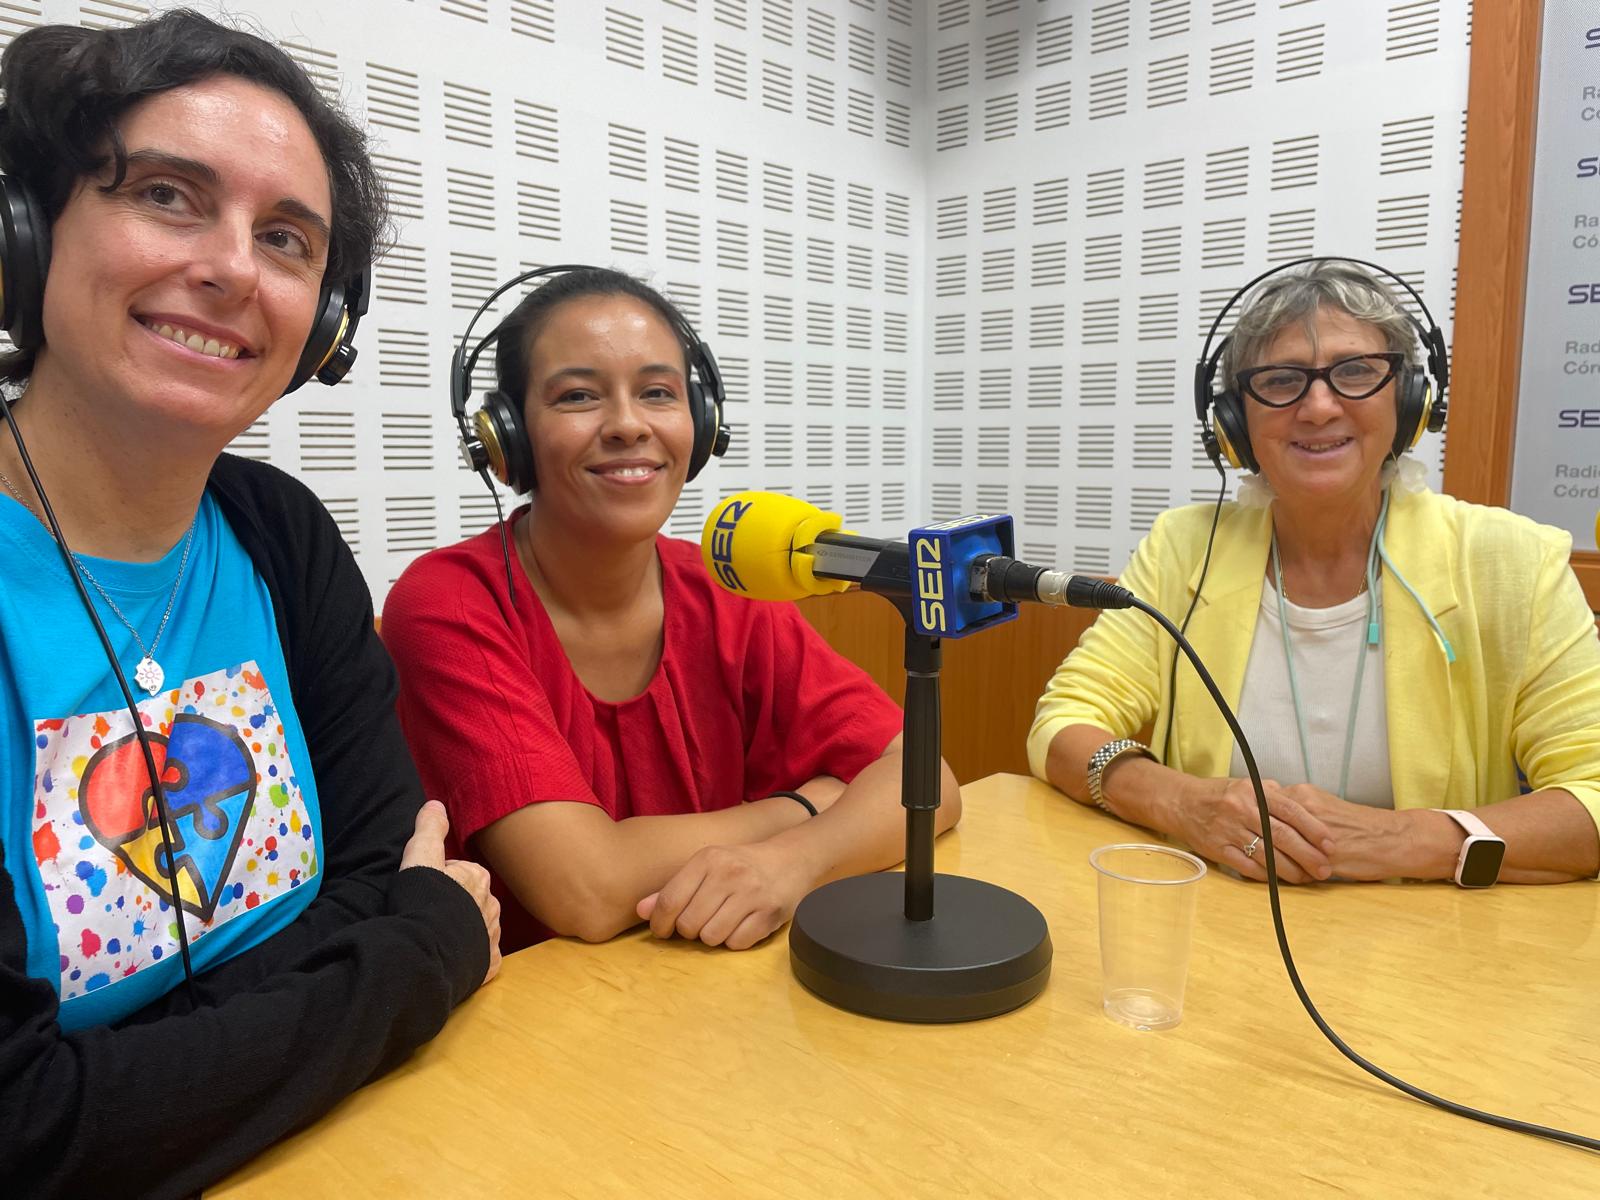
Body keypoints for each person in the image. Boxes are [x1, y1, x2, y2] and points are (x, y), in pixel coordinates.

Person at [0, 13, 500, 1197]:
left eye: (286, 238)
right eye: (168, 196)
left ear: (322, 322)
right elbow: (25, 1135)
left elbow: (380, 869)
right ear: (25, 235)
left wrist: (127, 1071)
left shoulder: (280, 534)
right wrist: (419, 952)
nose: (232, 268)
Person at [383, 267, 960, 952]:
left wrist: (792, 862)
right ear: (507, 436)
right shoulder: (448, 601)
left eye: (658, 393)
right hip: (533, 1021)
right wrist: (808, 807)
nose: (628, 425)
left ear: (702, 422)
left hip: (701, 994)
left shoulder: (729, 585)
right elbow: (586, 890)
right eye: (577, 396)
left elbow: (931, 782)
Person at [1030, 260, 1600, 886]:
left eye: (1356, 372)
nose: (1319, 407)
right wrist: (1179, 802)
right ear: (1235, 424)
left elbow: (1591, 798)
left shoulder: (1514, 561)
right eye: (1280, 381)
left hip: (1439, 949)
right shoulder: (1184, 548)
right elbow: (1063, 724)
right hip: (1221, 927)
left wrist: (1403, 840)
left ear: (1411, 399)